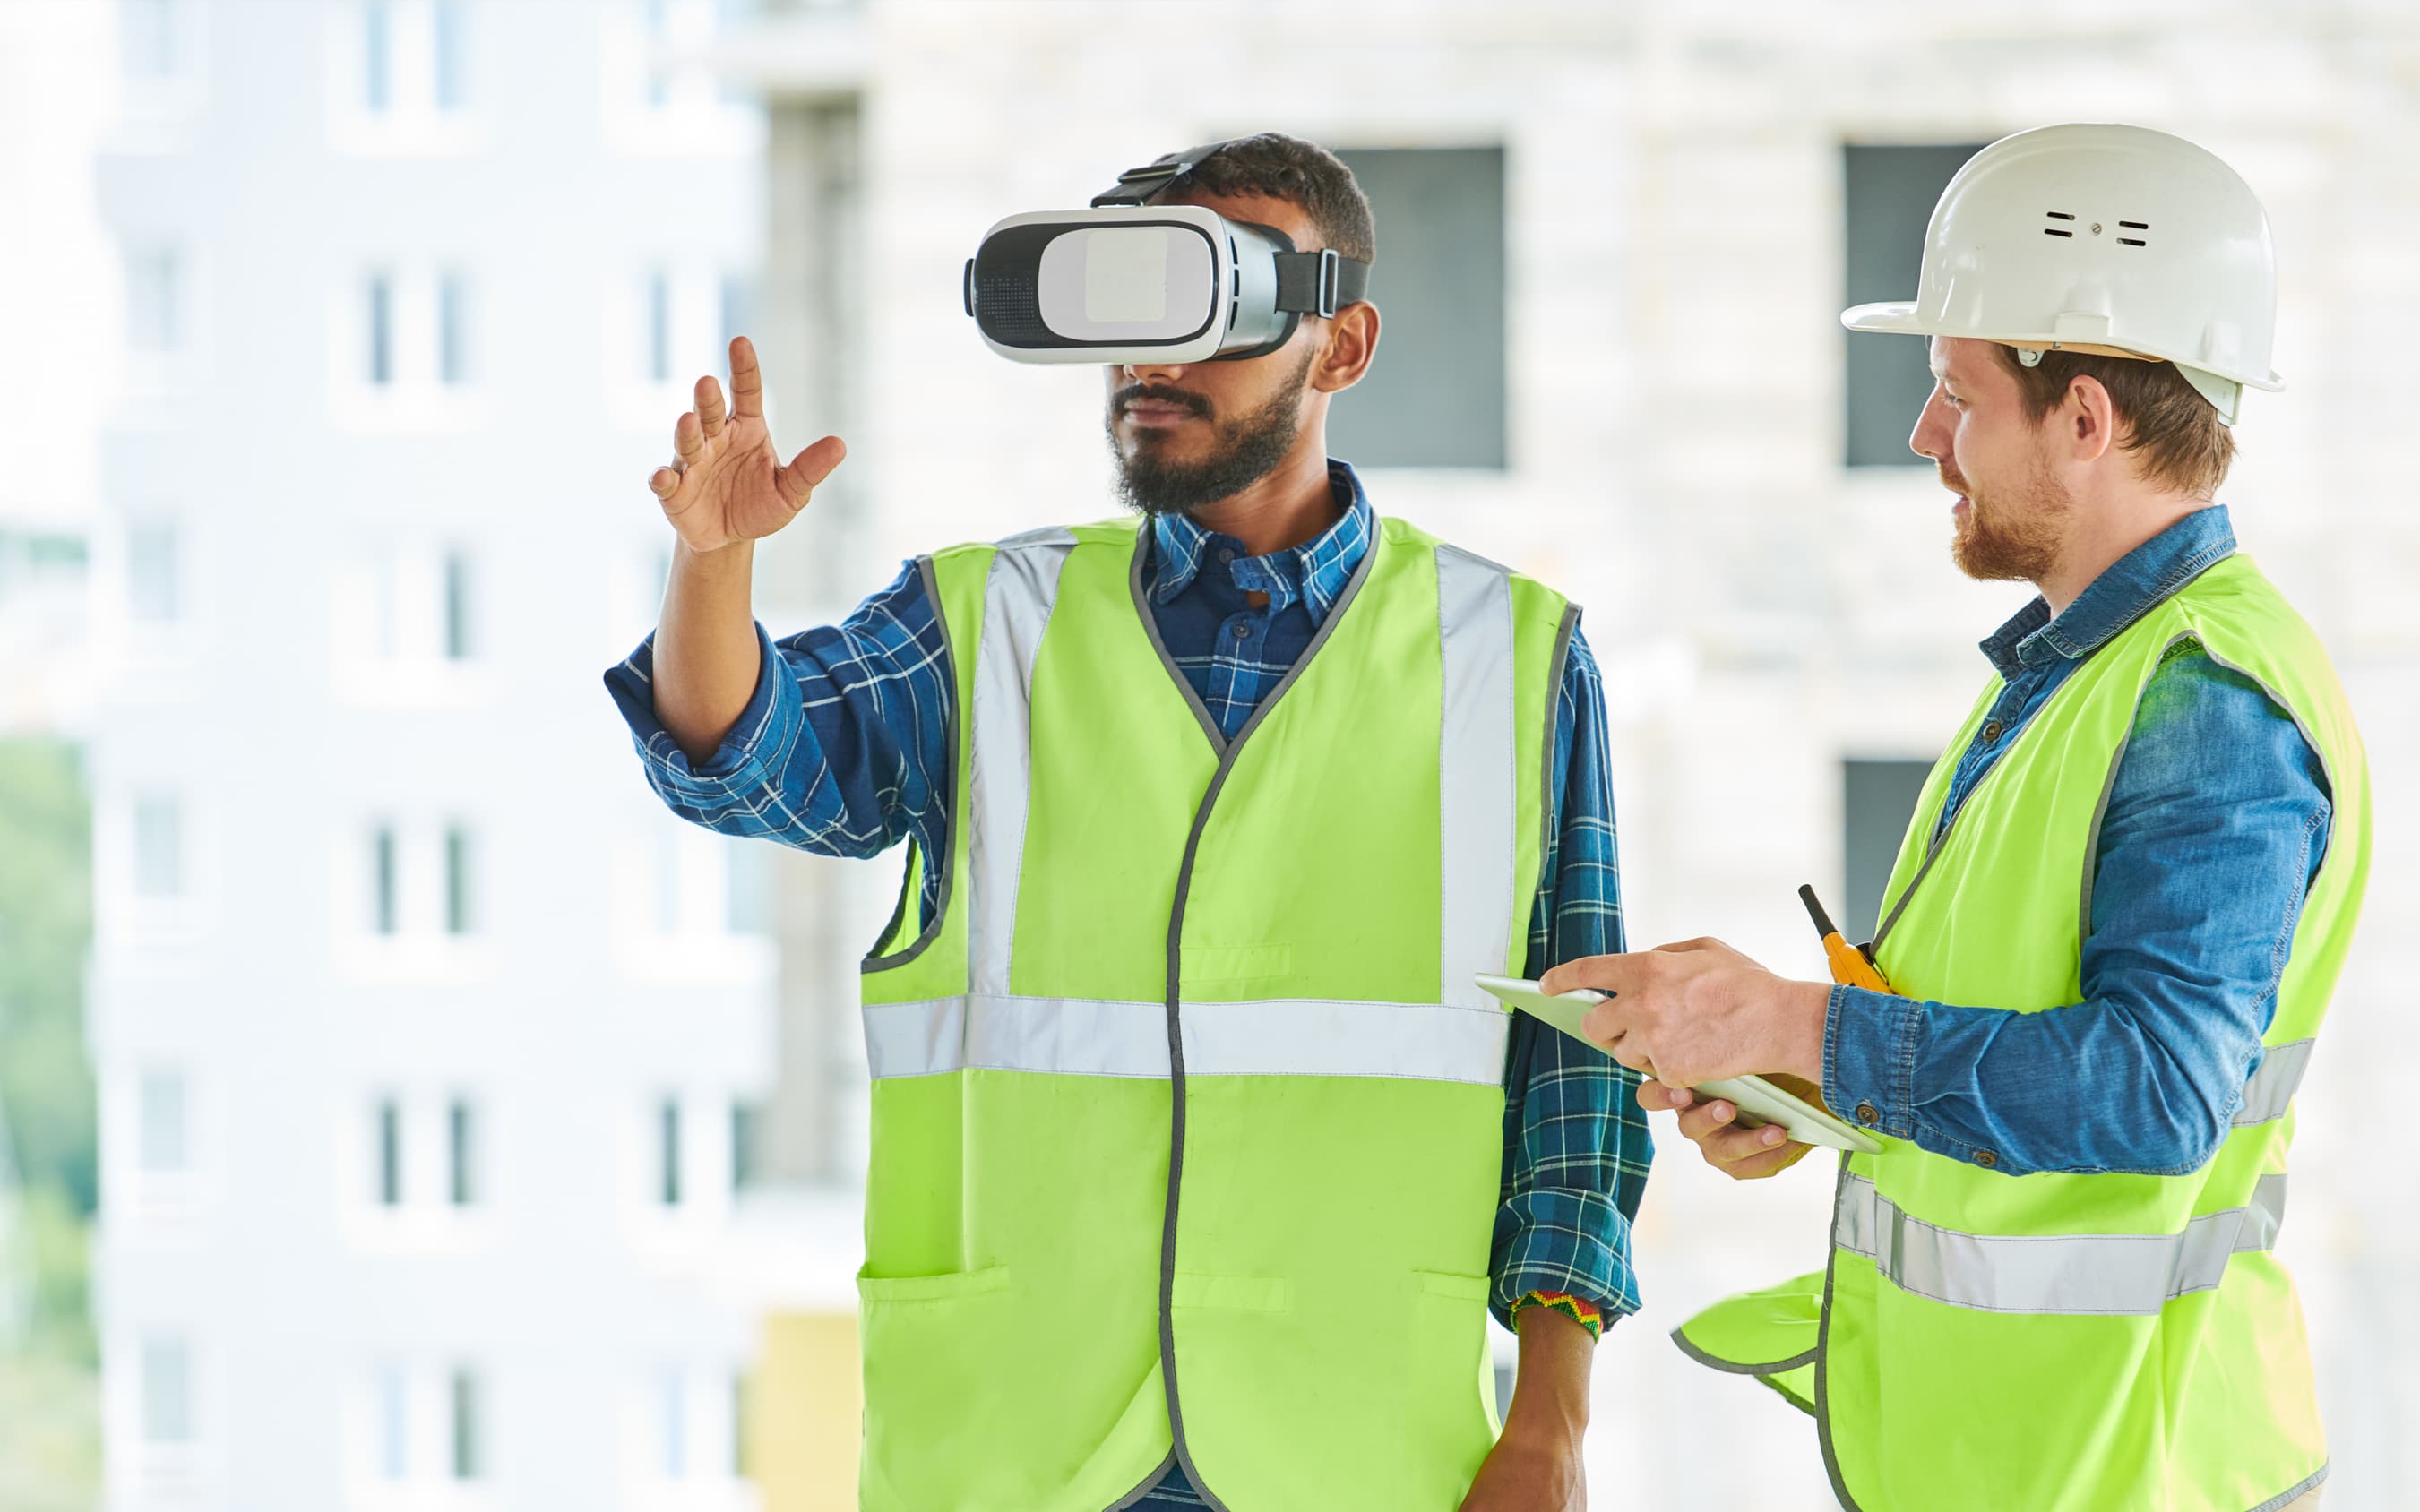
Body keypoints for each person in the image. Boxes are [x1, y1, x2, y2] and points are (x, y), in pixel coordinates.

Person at [605, 133, 1648, 1511]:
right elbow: (744, 761)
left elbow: (1576, 1083)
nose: (1153, 365)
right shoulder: (984, 623)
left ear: (1341, 346)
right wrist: (713, 564)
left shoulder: (1509, 656)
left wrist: (1553, 1424)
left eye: (1210, 310)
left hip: (1352, 1455)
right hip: (1019, 1451)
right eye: (1128, 320)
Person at [1545, 124, 2371, 1511]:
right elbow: (2031, 1020)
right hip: (2031, 1458)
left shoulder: (2206, 705)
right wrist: (1819, 1095)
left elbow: (2158, 1093)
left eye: (1957, 393)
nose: (1927, 434)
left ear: (2087, 420)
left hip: (2130, 1462)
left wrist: (1790, 1024)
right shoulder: (2081, 675)